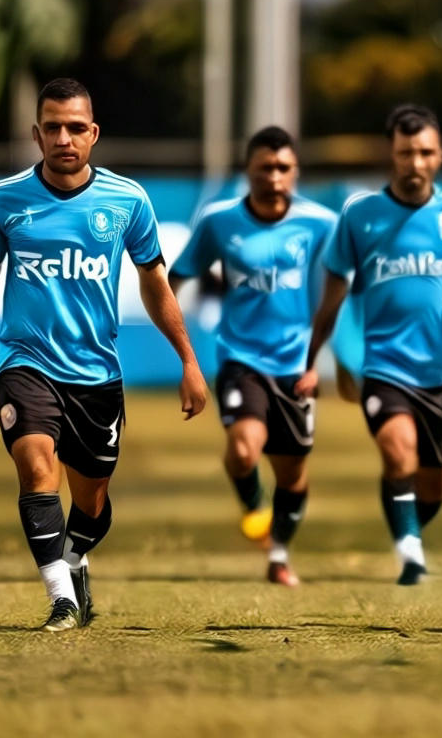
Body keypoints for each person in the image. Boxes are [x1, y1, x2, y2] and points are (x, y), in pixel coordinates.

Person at [0, 78, 207, 631]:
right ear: (37, 135)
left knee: (91, 503)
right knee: (37, 468)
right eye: (53, 128)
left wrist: (187, 360)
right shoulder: (4, 199)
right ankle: (62, 599)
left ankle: (75, 557)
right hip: (25, 362)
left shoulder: (128, 200)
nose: (64, 138)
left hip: (96, 373)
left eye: (75, 128)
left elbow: (155, 285)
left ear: (93, 134)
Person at [297, 104, 442, 585]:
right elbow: (332, 297)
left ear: (440, 155)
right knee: (398, 452)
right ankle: (411, 557)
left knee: (435, 483)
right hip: (382, 364)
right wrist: (311, 362)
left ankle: (408, 526)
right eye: (407, 152)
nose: (416, 162)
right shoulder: (360, 215)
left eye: (426, 152)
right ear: (393, 153)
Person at [169, 126, 336, 586]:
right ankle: (251, 504)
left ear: (295, 171)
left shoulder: (320, 224)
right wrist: (175, 338)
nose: (275, 177)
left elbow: (339, 289)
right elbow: (176, 278)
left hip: (295, 365)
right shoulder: (219, 222)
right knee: (243, 450)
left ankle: (279, 554)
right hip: (240, 357)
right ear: (249, 171)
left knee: (292, 474)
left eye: (283, 168)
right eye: (266, 167)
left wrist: (327, 360)